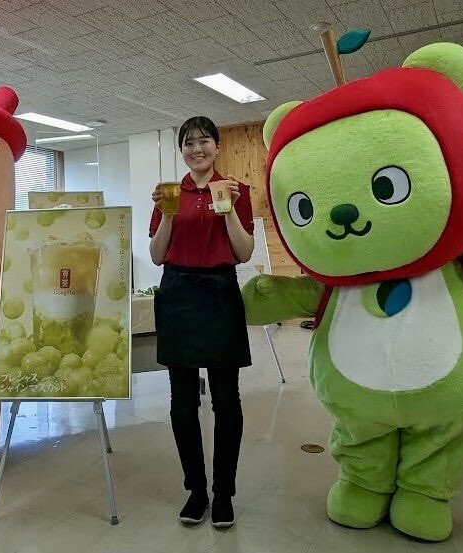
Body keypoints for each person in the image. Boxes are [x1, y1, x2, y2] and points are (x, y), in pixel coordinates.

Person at [148, 116, 255, 528]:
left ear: (217, 146)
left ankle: (223, 493)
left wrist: (225, 206)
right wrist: (168, 214)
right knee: (182, 401)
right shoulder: (168, 194)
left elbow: (243, 252)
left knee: (227, 401)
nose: (198, 148)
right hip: (178, 294)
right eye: (190, 142)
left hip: (220, 292)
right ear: (182, 150)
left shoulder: (235, 190)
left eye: (205, 141)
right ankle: (195, 490)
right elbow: (157, 255)